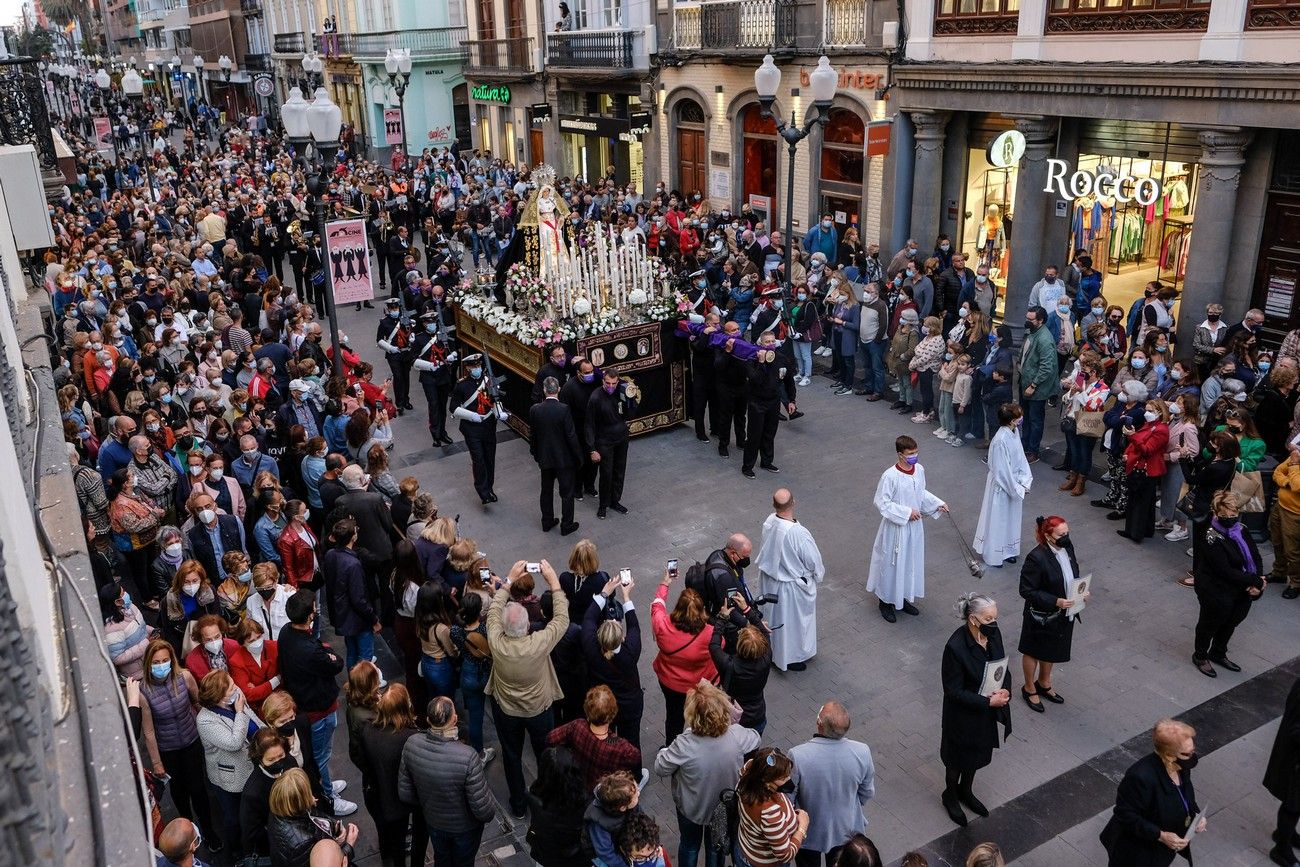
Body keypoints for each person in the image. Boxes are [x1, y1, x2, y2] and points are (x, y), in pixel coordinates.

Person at [485, 559, 570, 819]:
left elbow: (493, 611)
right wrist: (553, 580)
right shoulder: (539, 643)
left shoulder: (496, 641)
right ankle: (545, 801)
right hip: (539, 710)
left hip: (507, 710)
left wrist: (508, 580)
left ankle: (519, 804)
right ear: (527, 627)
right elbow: (562, 619)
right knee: (545, 755)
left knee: (511, 756)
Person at [655, 680, 761, 867]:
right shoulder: (736, 736)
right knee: (715, 847)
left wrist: (664, 752)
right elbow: (755, 737)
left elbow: (660, 767)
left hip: (690, 807)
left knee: (689, 845)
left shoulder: (684, 744)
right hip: (723, 807)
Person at [276, 589, 355, 816]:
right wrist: (330, 655)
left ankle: (328, 784)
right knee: (320, 755)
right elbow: (336, 664)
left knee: (321, 754)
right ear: (310, 614)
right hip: (318, 709)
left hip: (304, 701)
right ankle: (328, 797)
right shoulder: (310, 650)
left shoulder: (286, 632)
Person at [139, 639, 221, 852]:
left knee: (198, 789)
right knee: (179, 792)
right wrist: (156, 763)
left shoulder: (184, 677)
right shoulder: (144, 691)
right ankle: (187, 832)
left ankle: (209, 831)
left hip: (192, 741)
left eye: (165, 660)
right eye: (156, 661)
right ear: (149, 664)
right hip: (168, 749)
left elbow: (198, 702)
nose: (161, 665)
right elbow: (148, 731)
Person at [939, 593, 1011, 827]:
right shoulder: (955, 647)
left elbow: (1002, 666)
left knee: (976, 756)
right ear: (973, 619)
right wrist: (987, 702)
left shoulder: (993, 634)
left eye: (995, 618)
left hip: (984, 714)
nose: (994, 624)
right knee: (956, 760)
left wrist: (1005, 690)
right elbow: (953, 690)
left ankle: (966, 791)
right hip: (962, 716)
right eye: (988, 619)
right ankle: (950, 795)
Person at [399, 696, 496, 867]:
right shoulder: (468, 756)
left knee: (442, 859)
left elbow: (406, 793)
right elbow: (483, 809)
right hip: (464, 829)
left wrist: (429, 804)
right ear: (455, 719)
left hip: (434, 823)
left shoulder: (411, 744)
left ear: (428, 720)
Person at [1099, 719, 1206, 865]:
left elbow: (1186, 794)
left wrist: (1196, 815)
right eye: (1187, 753)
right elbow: (1125, 814)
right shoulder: (1140, 776)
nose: (1192, 756)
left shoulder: (1181, 766)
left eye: (1193, 750)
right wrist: (1161, 836)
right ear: (1169, 755)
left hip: (1164, 849)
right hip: (1137, 852)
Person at [867, 436, 949, 622]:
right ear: (900, 455)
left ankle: (902, 598)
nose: (914, 456)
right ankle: (885, 601)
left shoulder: (919, 470)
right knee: (891, 563)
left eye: (916, 452)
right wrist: (906, 512)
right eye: (910, 454)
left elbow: (920, 492)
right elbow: (881, 502)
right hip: (896, 529)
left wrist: (937, 503)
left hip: (914, 527)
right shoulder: (890, 476)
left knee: (909, 562)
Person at [788, 701, 876, 867]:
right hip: (846, 830)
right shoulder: (862, 751)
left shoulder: (798, 755)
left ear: (819, 725)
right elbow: (867, 791)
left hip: (808, 831)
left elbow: (789, 796)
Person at [1018, 517, 1087, 712]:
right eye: (1061, 535)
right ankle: (1029, 687)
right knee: (1033, 650)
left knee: (1052, 648)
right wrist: (1055, 601)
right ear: (1048, 536)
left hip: (1064, 611)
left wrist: (1081, 591)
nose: (1066, 538)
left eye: (1067, 533)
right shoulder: (1036, 557)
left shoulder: (1067, 547)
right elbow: (1026, 590)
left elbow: (1072, 573)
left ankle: (1044, 682)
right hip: (1041, 615)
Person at [1192, 491, 1264, 677]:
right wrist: (1254, 580)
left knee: (1233, 620)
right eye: (1225, 516)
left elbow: (1255, 556)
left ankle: (1218, 652)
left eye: (1234, 515)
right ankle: (1200, 656)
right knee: (1210, 622)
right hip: (1215, 588)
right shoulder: (1211, 537)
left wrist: (1258, 580)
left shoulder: (1242, 529)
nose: (1231, 519)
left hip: (1240, 587)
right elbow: (1224, 570)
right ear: (1216, 514)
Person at [196, 669, 264, 861]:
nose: (237, 689)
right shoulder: (205, 720)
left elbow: (255, 721)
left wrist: (268, 735)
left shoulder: (235, 700)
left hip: (252, 767)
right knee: (233, 818)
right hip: (230, 778)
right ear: (218, 695)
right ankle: (237, 854)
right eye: (231, 688)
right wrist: (240, 712)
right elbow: (233, 743)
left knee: (252, 813)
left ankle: (255, 846)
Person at [358, 683, 428, 867]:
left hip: (385, 798)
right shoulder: (411, 737)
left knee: (396, 844)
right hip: (410, 797)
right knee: (420, 836)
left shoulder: (367, 730)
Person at [756, 488, 825, 671]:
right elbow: (812, 560)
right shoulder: (798, 532)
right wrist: (816, 575)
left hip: (770, 580)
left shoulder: (770, 521)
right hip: (790, 586)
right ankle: (790, 656)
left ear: (774, 505)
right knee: (793, 624)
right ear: (793, 502)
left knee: (772, 617)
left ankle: (770, 650)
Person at [580, 574, 645, 754]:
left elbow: (588, 618)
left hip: (604, 703)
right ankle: (635, 775)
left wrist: (603, 594)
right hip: (629, 705)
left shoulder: (591, 647)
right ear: (621, 637)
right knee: (631, 742)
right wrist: (626, 596)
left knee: (605, 737)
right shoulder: (630, 652)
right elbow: (634, 626)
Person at [650, 571, 716, 746]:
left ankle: (672, 748)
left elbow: (657, 606)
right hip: (699, 686)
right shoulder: (709, 634)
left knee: (673, 717)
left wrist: (665, 583)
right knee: (700, 716)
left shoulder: (662, 625)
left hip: (669, 683)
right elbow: (721, 646)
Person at [546, 684, 642, 792]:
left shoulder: (577, 726)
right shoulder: (621, 748)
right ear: (613, 714)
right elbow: (636, 757)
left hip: (580, 782)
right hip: (604, 790)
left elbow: (551, 738)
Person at [972, 403, 1032, 568]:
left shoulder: (1014, 432)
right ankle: (995, 553)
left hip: (1015, 480)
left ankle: (1009, 550)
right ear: (1012, 420)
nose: (1021, 419)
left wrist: (1025, 480)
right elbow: (1001, 471)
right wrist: (1017, 489)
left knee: (1011, 518)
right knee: (999, 519)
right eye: (1019, 416)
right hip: (1002, 485)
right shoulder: (1000, 440)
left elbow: (1020, 458)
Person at [268, 768, 359, 867]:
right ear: (299, 801)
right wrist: (348, 847)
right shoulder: (302, 844)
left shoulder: (280, 809)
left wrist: (333, 834)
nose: (311, 795)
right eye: (307, 792)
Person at [736, 746, 808, 867]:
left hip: (747, 845)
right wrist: (802, 827)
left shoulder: (748, 774)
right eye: (783, 778)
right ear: (766, 781)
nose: (788, 780)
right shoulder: (769, 812)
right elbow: (785, 854)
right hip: (764, 862)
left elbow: (755, 762)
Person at [323, 517, 380, 670]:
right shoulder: (353, 564)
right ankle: (364, 686)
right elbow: (358, 599)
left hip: (342, 614)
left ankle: (354, 684)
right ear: (353, 537)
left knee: (352, 652)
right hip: (358, 618)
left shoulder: (330, 555)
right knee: (365, 657)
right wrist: (373, 618)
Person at [450, 354, 506, 505]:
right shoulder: (462, 385)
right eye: (474, 367)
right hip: (472, 429)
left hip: (488, 427)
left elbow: (496, 401)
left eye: (479, 366)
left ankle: (489, 487)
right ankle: (483, 491)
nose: (477, 369)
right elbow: (453, 408)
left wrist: (500, 413)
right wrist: (472, 416)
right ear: (468, 368)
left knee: (489, 459)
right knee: (479, 460)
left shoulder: (489, 382)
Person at [530, 375, 581, 535]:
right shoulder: (564, 410)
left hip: (545, 459)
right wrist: (578, 456)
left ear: (544, 390)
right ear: (558, 389)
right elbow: (571, 436)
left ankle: (547, 521)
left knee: (546, 490)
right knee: (567, 493)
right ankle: (567, 525)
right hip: (564, 460)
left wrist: (536, 454)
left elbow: (533, 436)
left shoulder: (535, 410)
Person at [742, 331, 797, 479]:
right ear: (761, 343)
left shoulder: (782, 359)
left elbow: (789, 381)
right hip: (757, 402)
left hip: (773, 402)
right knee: (754, 436)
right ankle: (747, 466)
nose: (771, 344)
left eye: (773, 341)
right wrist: (761, 362)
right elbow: (755, 380)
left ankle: (766, 461)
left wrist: (792, 400)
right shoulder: (751, 359)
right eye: (767, 342)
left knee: (769, 434)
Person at [587, 368, 639, 519]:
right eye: (607, 383)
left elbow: (630, 414)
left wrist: (630, 399)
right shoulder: (595, 398)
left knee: (619, 470)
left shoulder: (621, 392)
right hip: (604, 441)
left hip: (621, 438)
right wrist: (592, 448)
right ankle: (603, 505)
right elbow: (589, 424)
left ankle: (615, 500)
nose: (610, 386)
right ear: (603, 381)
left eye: (613, 383)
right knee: (606, 473)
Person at [1117, 398, 1170, 543]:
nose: (1147, 413)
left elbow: (1147, 450)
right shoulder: (1151, 425)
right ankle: (1144, 530)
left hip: (1146, 469)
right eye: (1146, 410)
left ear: (1159, 412)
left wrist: (1132, 436)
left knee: (1139, 502)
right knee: (1144, 501)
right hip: (1142, 467)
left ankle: (1135, 532)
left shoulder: (1161, 430)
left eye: (1150, 411)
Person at [1264, 676, 1300, 867]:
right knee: (1293, 805)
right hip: (1295, 763)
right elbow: (1295, 730)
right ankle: (1281, 849)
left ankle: (1287, 833)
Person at [1020, 305, 1061, 463]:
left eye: (1030, 319)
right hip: (1026, 381)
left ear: (1040, 320)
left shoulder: (1044, 339)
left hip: (1036, 388)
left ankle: (1033, 450)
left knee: (1035, 419)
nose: (1027, 321)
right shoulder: (1032, 332)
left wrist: (1033, 385)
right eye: (1027, 318)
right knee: (1027, 418)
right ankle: (1025, 445)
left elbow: (1046, 366)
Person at [1273, 443, 1300, 600]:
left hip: (1295, 513)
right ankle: (1279, 572)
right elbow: (1277, 472)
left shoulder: (1295, 459)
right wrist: (1287, 482)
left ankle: (1296, 582)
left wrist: (1295, 465)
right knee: (1277, 542)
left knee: (1292, 550)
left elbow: (1297, 486)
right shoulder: (1296, 455)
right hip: (1280, 506)